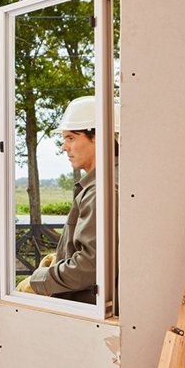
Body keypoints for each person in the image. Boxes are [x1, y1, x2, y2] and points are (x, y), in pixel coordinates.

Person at [15, 96, 118, 304]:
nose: (64, 147)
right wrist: (60, 257)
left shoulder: (102, 190)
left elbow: (89, 267)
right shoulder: (105, 181)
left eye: (71, 138)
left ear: (98, 137)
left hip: (88, 312)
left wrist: (38, 281)